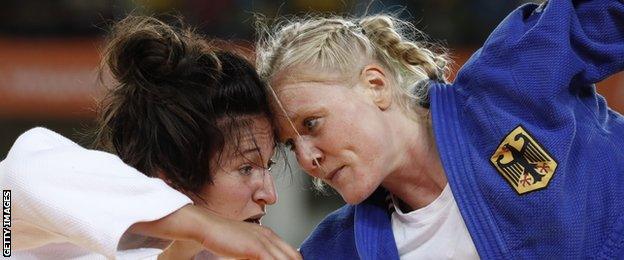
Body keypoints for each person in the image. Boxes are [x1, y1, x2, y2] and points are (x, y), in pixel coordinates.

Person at [256, 0, 624, 258]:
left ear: (376, 85)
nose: (307, 158)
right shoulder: (336, 251)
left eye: (312, 123)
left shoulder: (507, 84)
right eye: (291, 146)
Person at [1, 16, 300, 260]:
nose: (269, 195)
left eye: (267, 166)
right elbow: (15, 182)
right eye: (246, 168)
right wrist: (203, 227)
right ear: (172, 176)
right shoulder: (76, 250)